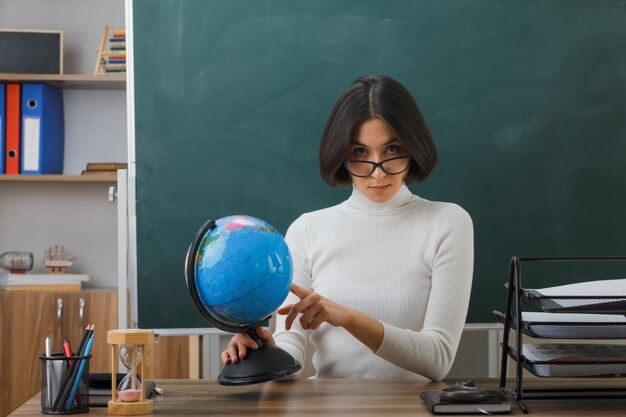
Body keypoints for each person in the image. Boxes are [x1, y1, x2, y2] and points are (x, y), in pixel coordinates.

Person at [222, 75, 474, 381]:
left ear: (413, 146)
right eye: (360, 153)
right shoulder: (307, 229)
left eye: (392, 150)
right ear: (341, 155)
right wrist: (265, 353)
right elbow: (292, 349)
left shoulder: (448, 222)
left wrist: (348, 317)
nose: (377, 172)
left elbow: (438, 358)